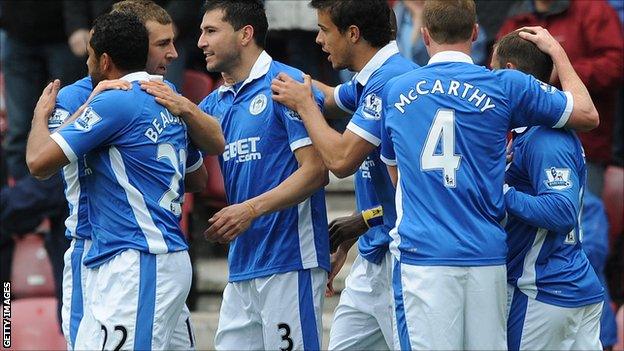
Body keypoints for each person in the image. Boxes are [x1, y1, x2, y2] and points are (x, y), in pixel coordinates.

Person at [378, 0, 599, 349]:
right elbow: (587, 114)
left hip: (424, 258)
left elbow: (396, 177)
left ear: (424, 35)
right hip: (487, 259)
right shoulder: (504, 85)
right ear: (475, 32)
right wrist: (557, 52)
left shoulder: (396, 90)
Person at [26, 12, 220, 350]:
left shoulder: (113, 100)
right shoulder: (167, 94)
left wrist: (40, 116)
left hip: (133, 255)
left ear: (104, 59)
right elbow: (197, 176)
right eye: (163, 43)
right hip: (139, 252)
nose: (172, 53)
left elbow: (37, 162)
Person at [270, 1, 417, 349]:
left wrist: (304, 105)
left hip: (401, 258)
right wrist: (264, 69)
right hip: (372, 253)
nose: (319, 41)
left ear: (353, 34)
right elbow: (332, 98)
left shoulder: (390, 80)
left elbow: (340, 159)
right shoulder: (371, 78)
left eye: (324, 30)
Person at [196, 1, 330, 350]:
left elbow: (316, 172)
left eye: (211, 31)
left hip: (290, 261)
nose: (201, 42)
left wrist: (249, 210)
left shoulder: (287, 86)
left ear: (245, 34)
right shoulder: (214, 103)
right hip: (242, 266)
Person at [492, 29, 605, 350]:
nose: (489, 78)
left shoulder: (545, 139)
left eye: (492, 69)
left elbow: (562, 211)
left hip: (545, 292)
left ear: (509, 72)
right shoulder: (528, 133)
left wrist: (500, 192)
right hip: (565, 288)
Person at [497, 0, 624, 197]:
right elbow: (498, 69)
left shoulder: (594, 10)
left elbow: (615, 64)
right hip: (518, 145)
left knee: (579, 216)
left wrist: (562, 73)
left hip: (584, 143)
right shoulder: (517, 17)